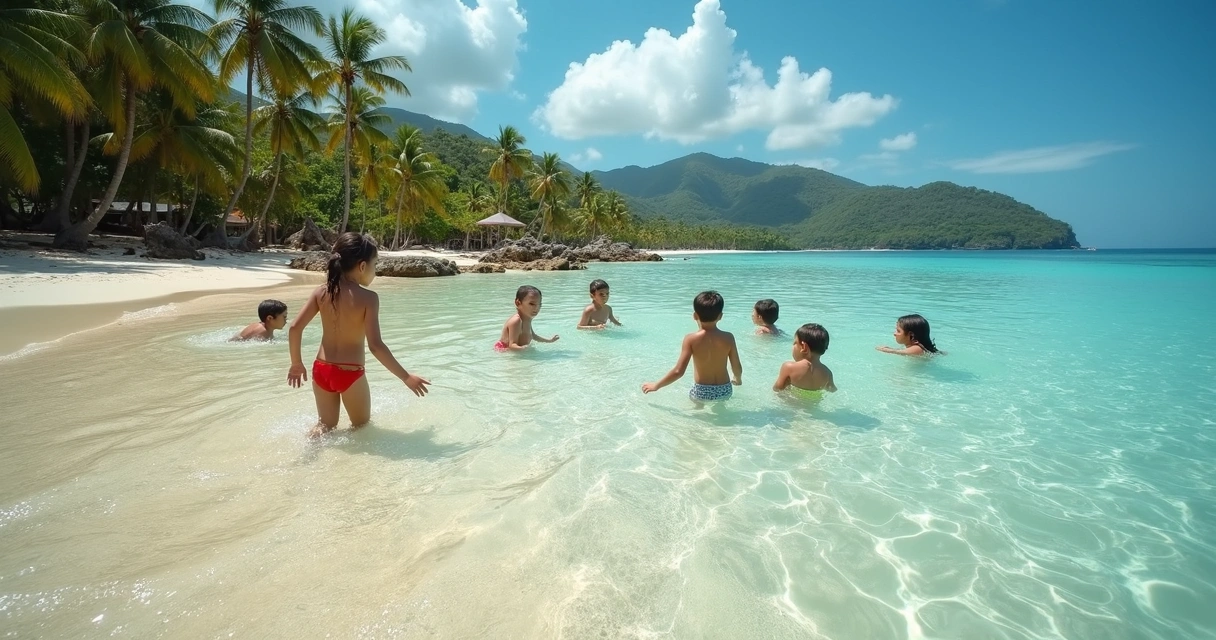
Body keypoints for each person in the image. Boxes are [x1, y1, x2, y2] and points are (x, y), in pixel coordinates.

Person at [287, 232, 430, 438]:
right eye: (375, 265)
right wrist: (405, 377)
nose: (375, 271)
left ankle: (309, 455)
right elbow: (375, 346)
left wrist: (296, 363)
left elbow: (294, 328)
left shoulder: (321, 292)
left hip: (321, 369)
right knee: (361, 430)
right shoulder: (368, 298)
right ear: (362, 266)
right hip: (350, 372)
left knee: (324, 427)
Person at [642, 290, 742, 401]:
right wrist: (737, 379)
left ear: (694, 316)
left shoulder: (691, 339)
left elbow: (678, 372)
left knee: (697, 414)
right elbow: (736, 366)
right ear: (720, 316)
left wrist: (656, 385)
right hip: (725, 389)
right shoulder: (728, 337)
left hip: (701, 391)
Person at [773, 323, 837, 396]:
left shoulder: (788, 367)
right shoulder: (827, 373)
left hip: (792, 405)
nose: (793, 346)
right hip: (814, 405)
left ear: (804, 347)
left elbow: (777, 389)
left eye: (795, 343)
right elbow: (833, 390)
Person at [496, 285, 560, 351]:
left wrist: (549, 341)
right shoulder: (516, 321)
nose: (536, 308)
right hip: (504, 352)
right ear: (518, 303)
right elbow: (512, 345)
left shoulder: (527, 318)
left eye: (539, 305)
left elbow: (533, 336)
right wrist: (525, 349)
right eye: (532, 304)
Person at [876, 313, 941, 356]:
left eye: (898, 331)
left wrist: (887, 350)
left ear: (911, 336)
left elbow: (903, 352)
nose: (894, 334)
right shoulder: (917, 347)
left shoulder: (917, 348)